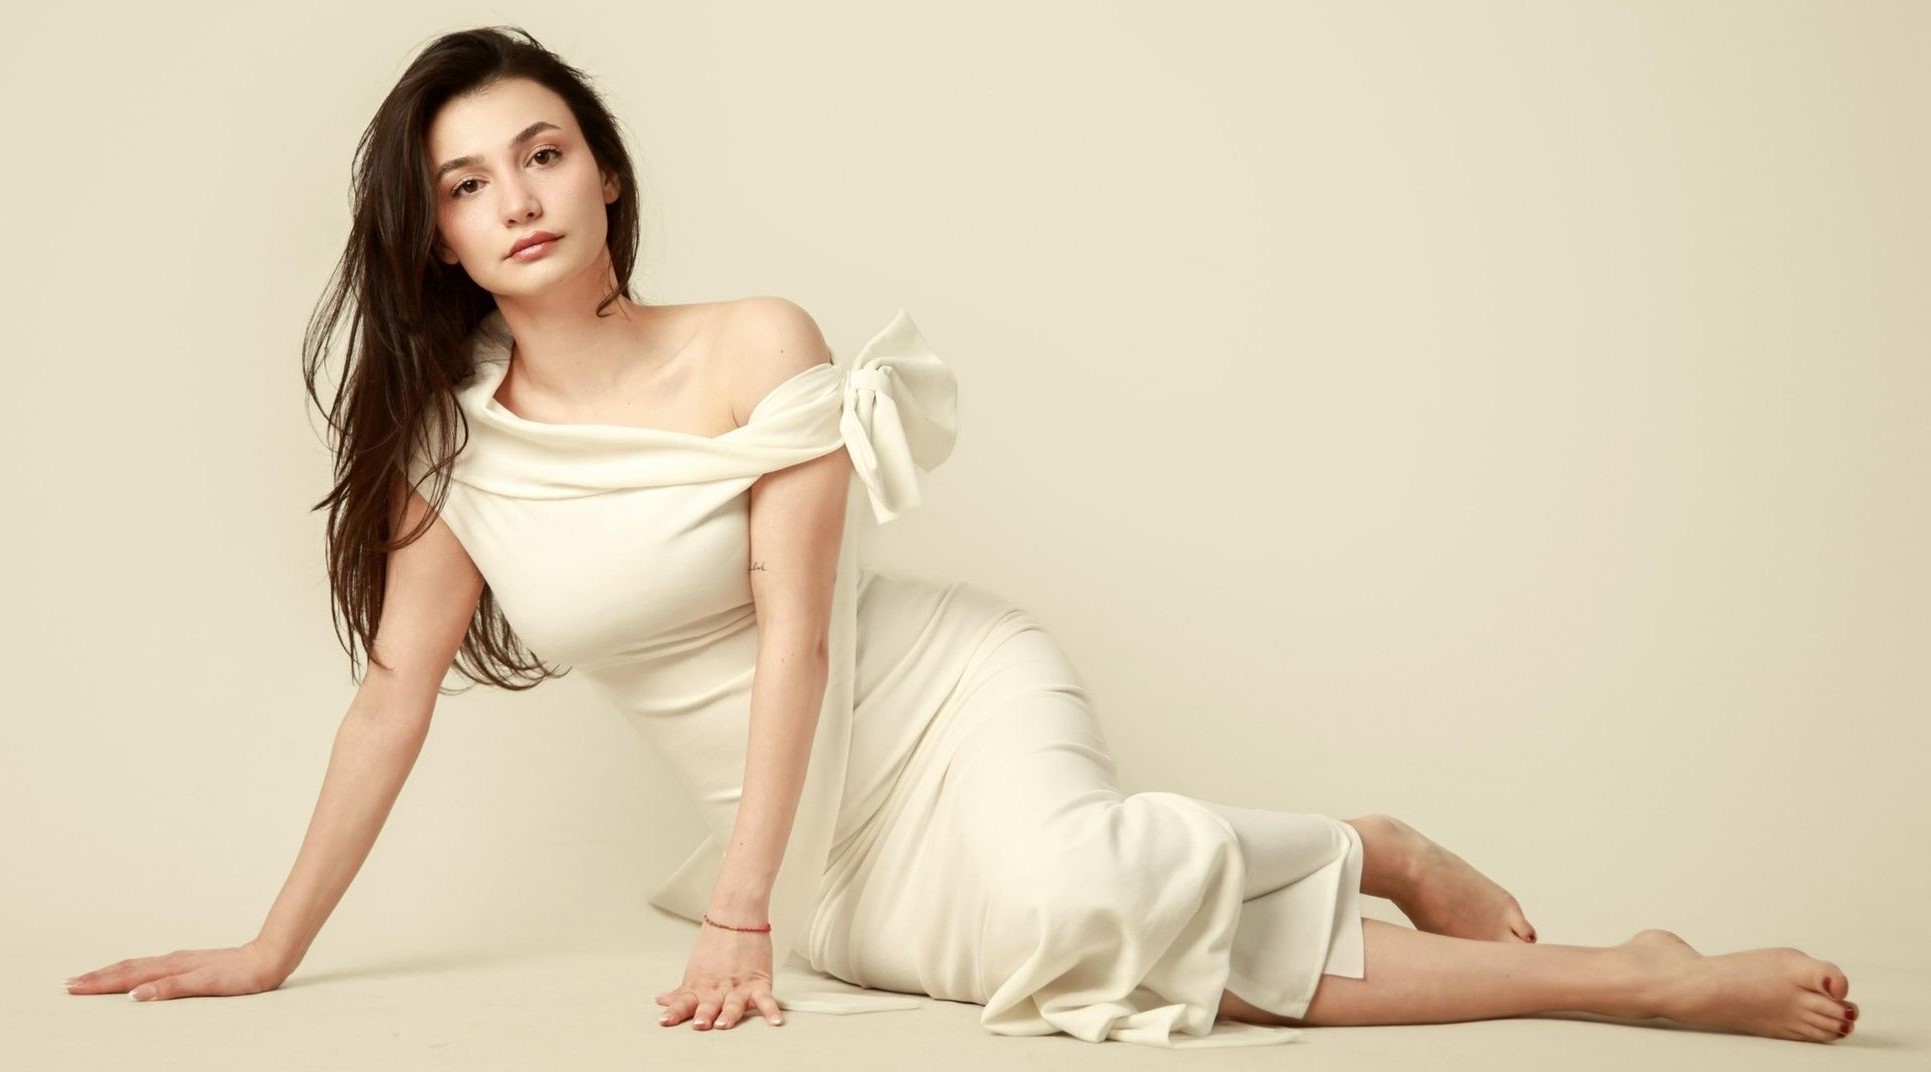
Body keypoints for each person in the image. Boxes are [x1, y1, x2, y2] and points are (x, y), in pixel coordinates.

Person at [63, 26, 1857, 1048]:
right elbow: (390, 703)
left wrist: (745, 916)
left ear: (605, 170)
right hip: (801, 830)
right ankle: (1369, 852)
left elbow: (803, 634)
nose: (514, 200)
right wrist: (268, 950)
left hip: (927, 705)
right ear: (437, 238)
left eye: (540, 154)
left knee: (1080, 905)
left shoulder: (754, 343)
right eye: (466, 184)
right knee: (1071, 965)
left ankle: (1618, 976)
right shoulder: (456, 453)